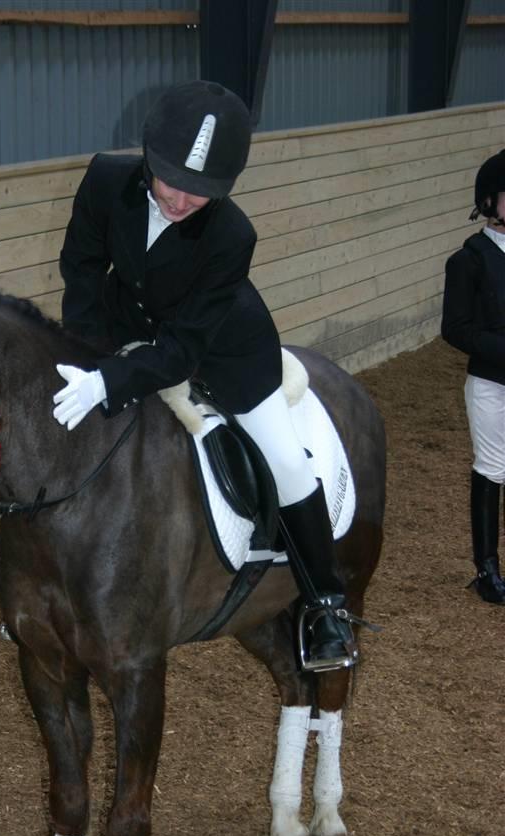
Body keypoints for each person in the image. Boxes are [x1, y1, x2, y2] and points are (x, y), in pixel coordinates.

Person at [52, 80, 357, 669]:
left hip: (222, 350)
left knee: (288, 461)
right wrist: (90, 357)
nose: (182, 199)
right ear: (148, 156)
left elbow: (184, 349)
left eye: (200, 192)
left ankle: (325, 605)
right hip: (124, 323)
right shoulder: (103, 181)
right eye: (172, 180)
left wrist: (112, 382)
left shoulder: (232, 234)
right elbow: (83, 269)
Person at [442, 149, 505, 605]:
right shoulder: (469, 261)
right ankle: (486, 568)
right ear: (489, 203)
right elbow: (456, 328)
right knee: (493, 467)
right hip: (491, 384)